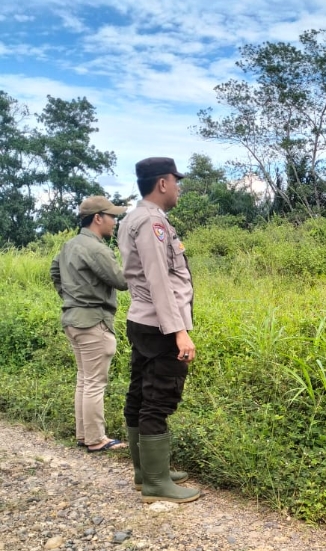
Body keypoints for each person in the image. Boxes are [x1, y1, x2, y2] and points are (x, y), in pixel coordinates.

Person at [117, 157, 200, 504]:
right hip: (159, 324)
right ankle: (155, 483)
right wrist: (178, 330)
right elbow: (158, 279)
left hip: (143, 319)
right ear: (162, 183)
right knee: (158, 398)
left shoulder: (130, 218)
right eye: (176, 181)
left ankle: (147, 472)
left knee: (139, 394)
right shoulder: (152, 222)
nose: (178, 188)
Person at [50, 195, 129, 453]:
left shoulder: (69, 245)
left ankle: (85, 435)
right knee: (94, 382)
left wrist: (70, 297)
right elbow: (121, 281)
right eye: (112, 216)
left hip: (72, 319)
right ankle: (97, 440)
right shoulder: (96, 248)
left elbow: (54, 271)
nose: (114, 222)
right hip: (94, 321)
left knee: (84, 380)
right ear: (98, 218)